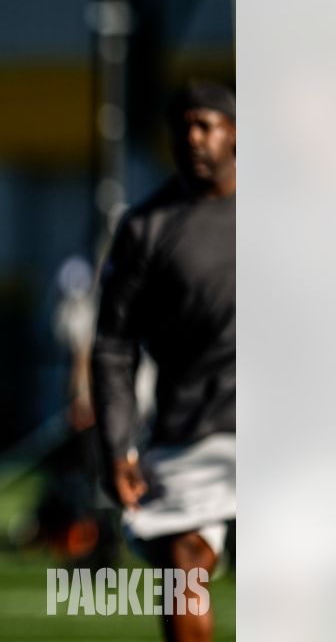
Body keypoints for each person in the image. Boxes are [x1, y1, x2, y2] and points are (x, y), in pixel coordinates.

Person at [92, 80, 236, 642]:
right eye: (183, 127)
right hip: (192, 428)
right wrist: (117, 444)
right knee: (183, 567)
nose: (193, 138)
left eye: (206, 124)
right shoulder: (146, 227)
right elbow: (113, 346)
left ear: (235, 133)